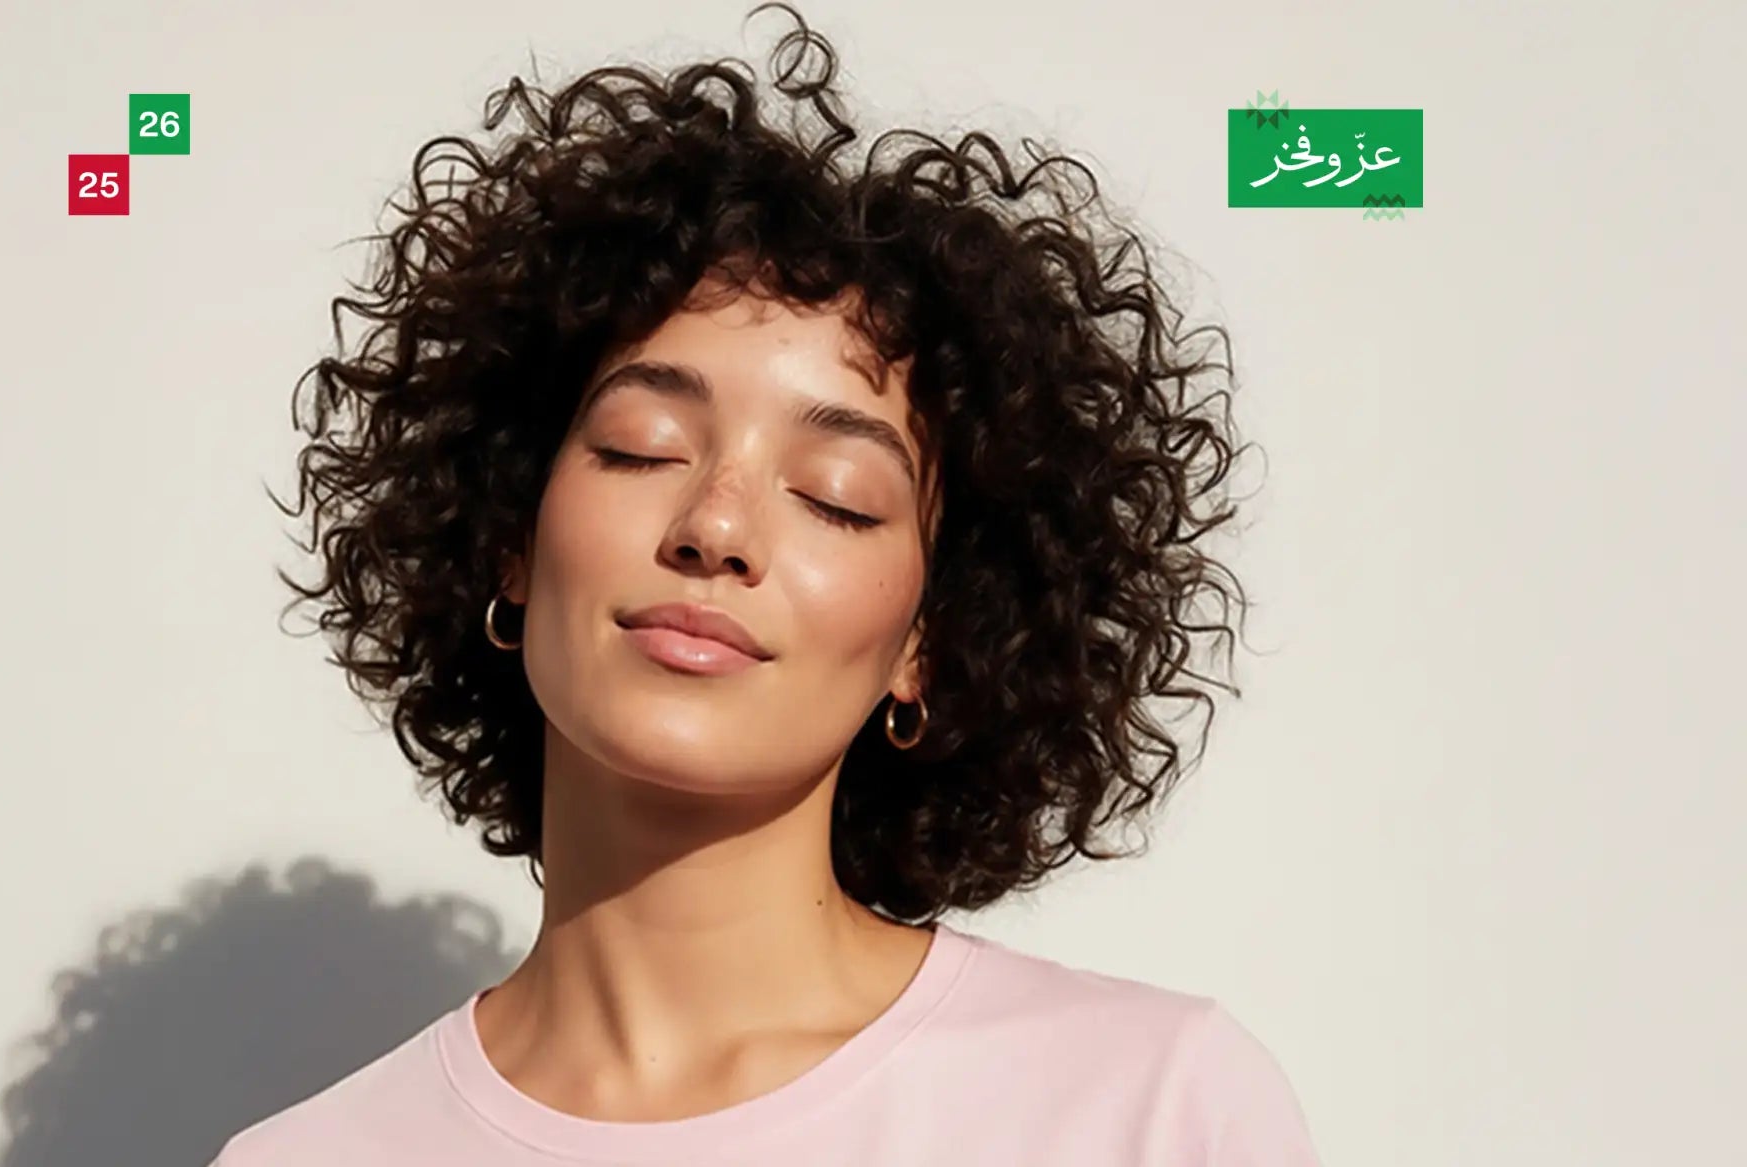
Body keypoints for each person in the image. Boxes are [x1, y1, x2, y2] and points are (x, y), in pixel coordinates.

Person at [217, 3, 1318, 1162]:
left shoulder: (1143, 1106)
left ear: (928, 640)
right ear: (509, 535)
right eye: (641, 446)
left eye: (837, 496)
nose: (715, 528)